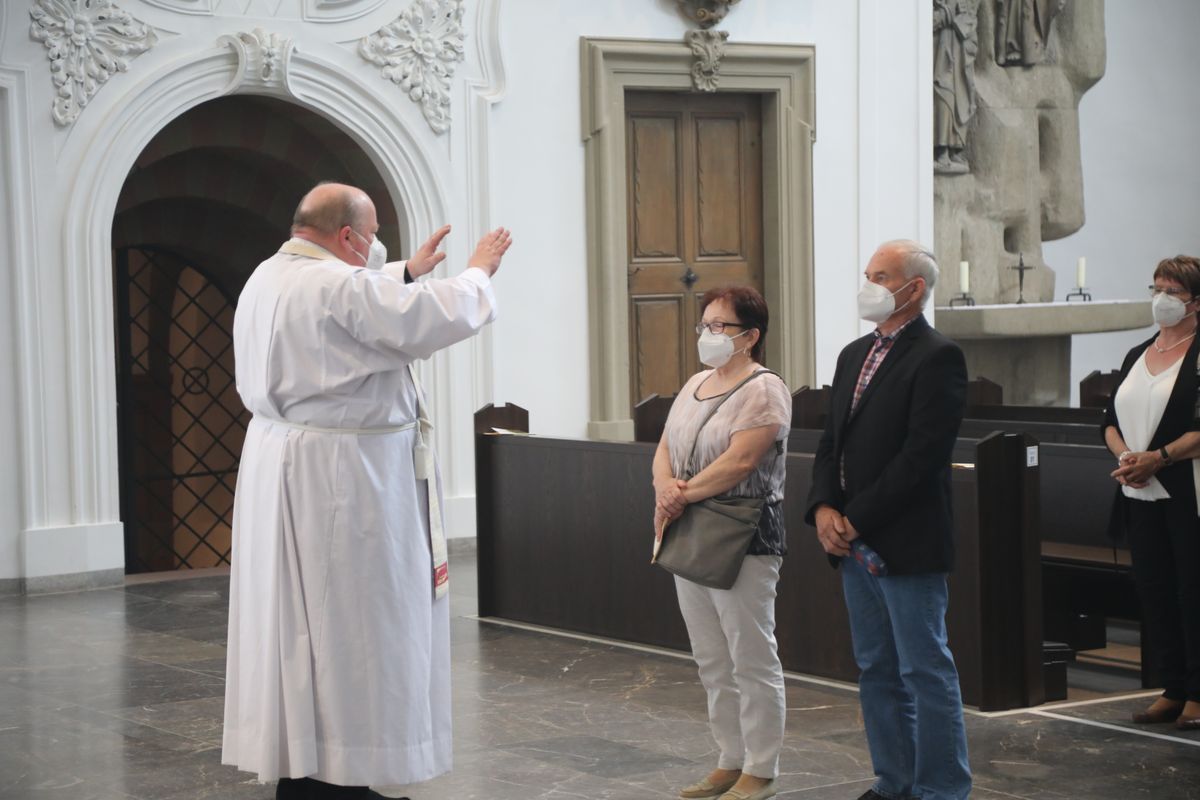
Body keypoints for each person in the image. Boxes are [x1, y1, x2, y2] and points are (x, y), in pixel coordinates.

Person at [221, 182, 512, 799]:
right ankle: (351, 768)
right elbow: (422, 319)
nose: (379, 248)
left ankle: (303, 758)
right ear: (348, 237)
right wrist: (478, 273)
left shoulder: (268, 276)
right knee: (356, 624)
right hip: (345, 479)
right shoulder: (337, 286)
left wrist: (406, 270)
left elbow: (361, 306)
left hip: (286, 464)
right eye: (373, 237)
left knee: (299, 626)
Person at [805, 241, 971, 800]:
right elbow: (832, 441)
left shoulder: (938, 356)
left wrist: (855, 518)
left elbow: (922, 457)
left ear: (913, 289)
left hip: (906, 541)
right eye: (867, 274)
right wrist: (825, 508)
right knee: (876, 668)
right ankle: (894, 781)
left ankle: (942, 788)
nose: (869, 285)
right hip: (853, 541)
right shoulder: (854, 352)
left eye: (881, 276)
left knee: (924, 671)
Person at [653, 286, 791, 800]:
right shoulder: (696, 384)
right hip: (690, 527)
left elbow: (740, 462)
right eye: (704, 325)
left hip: (744, 532)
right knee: (711, 656)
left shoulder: (765, 389)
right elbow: (666, 447)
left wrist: (678, 494)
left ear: (750, 336)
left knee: (750, 655)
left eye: (720, 326)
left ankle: (762, 766)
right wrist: (666, 489)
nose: (708, 334)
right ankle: (729, 758)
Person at [1104, 255, 1200, 732]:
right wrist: (1127, 457)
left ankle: (1199, 694)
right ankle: (1174, 687)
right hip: (1138, 490)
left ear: (1196, 302)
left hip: (1188, 489)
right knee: (1156, 589)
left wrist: (1157, 458)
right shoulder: (1138, 351)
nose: (1161, 298)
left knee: (1193, 591)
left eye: (1173, 291)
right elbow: (1107, 420)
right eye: (1156, 288)